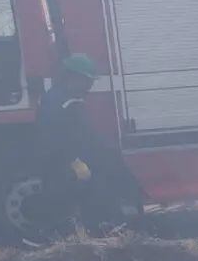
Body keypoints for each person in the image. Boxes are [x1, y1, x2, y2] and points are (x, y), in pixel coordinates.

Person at [36, 54, 142, 231]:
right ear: (73, 77)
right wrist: (73, 160)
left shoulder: (69, 97)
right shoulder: (57, 102)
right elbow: (55, 137)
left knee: (99, 185)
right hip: (62, 163)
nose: (90, 86)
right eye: (87, 80)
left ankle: (104, 226)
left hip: (77, 159)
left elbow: (84, 133)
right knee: (78, 197)